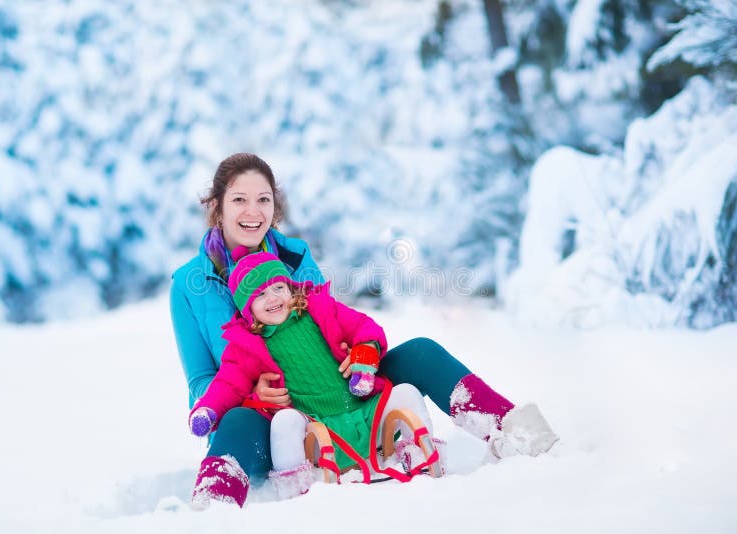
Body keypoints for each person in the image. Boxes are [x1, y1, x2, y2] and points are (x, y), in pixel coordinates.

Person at [169, 153, 558, 505]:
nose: (253, 211)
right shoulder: (190, 284)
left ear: (275, 207)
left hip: (339, 393)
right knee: (237, 421)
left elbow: (332, 324)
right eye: (239, 199)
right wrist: (250, 393)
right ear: (217, 206)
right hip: (275, 423)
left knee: (420, 351)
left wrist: (362, 351)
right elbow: (201, 381)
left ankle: (512, 429)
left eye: (263, 199)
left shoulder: (293, 257)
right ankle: (212, 506)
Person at [187, 251, 439, 507]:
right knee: (284, 421)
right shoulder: (246, 346)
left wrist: (364, 356)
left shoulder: (321, 309)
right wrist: (208, 410)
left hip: (367, 416)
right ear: (246, 308)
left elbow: (364, 327)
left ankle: (419, 455)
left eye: (278, 287)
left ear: (290, 288)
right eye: (260, 294)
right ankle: (294, 488)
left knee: (406, 393)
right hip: (317, 436)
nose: (272, 298)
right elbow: (227, 383)